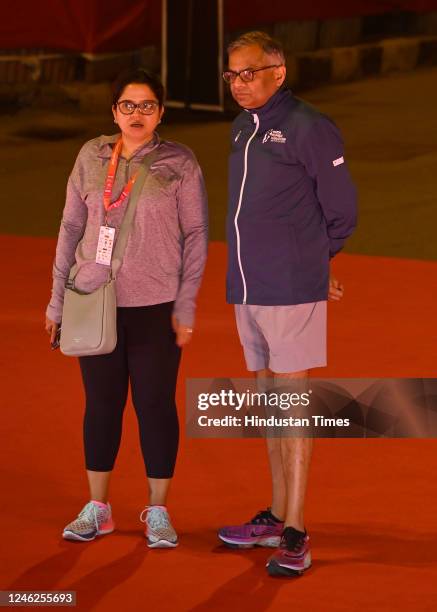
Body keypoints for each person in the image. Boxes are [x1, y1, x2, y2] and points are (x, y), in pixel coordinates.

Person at [45, 68, 208, 548]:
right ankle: (98, 507)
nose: (137, 115)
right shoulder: (91, 156)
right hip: (94, 300)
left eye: (148, 106)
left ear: (161, 112)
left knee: (154, 405)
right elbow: (70, 226)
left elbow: (197, 234)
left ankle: (158, 510)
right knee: (101, 405)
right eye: (128, 106)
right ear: (114, 111)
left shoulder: (180, 162)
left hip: (156, 305)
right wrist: (57, 300)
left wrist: (187, 303)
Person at [218, 32, 357, 576]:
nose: (238, 84)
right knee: (271, 408)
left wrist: (316, 266)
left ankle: (296, 532)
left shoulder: (309, 126)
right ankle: (276, 513)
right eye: (231, 75)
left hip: (291, 288)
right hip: (246, 290)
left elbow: (342, 208)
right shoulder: (238, 129)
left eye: (248, 73)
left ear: (278, 70)